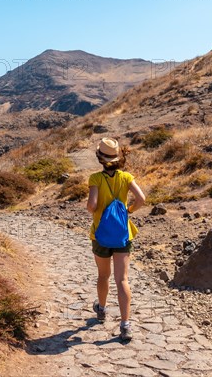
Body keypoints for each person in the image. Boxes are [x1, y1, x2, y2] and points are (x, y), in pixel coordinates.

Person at [86, 137, 145, 341]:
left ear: (100, 159)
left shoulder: (95, 178)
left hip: (100, 235)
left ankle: (101, 309)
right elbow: (142, 199)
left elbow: (92, 206)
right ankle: (125, 325)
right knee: (122, 280)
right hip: (123, 233)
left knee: (104, 275)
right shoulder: (126, 177)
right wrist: (128, 210)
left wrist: (91, 207)